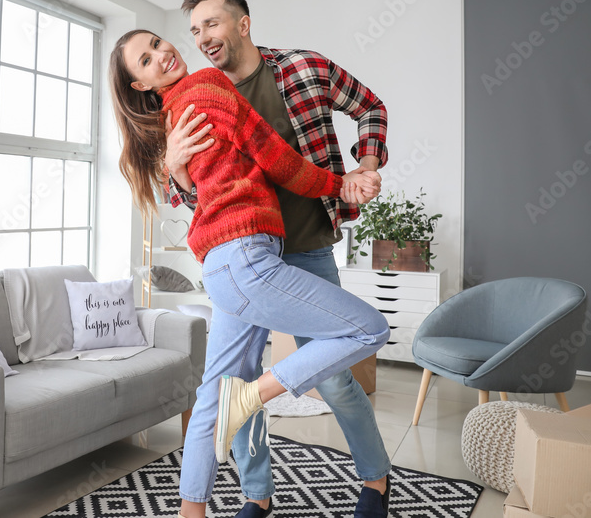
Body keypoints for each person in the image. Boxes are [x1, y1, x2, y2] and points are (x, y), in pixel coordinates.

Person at [109, 29, 391, 518]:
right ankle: (254, 471)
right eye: (148, 57)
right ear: (139, 84)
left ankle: (192, 511)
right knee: (368, 329)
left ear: (240, 23)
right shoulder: (204, 88)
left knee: (221, 395)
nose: (188, 41)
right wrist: (340, 184)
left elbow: (370, 108)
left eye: (209, 25)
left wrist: (358, 169)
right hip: (248, 255)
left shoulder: (300, 69)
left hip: (265, 254)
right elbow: (277, 162)